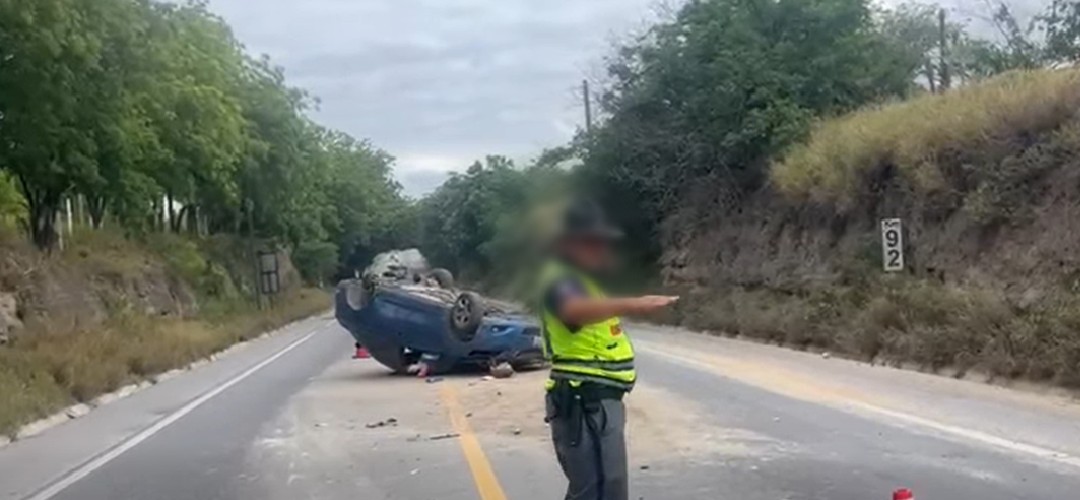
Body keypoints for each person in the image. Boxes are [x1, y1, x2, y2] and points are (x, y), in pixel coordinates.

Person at [538, 199, 679, 500]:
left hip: (596, 399)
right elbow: (573, 310)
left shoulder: (581, 280)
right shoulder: (558, 278)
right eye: (591, 242)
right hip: (582, 398)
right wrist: (636, 304)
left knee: (604, 488)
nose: (600, 249)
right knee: (597, 491)